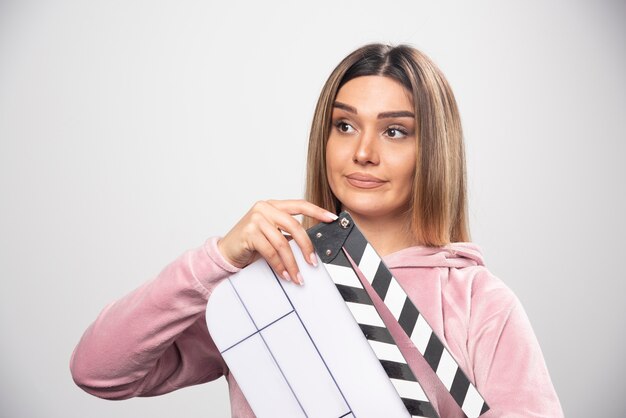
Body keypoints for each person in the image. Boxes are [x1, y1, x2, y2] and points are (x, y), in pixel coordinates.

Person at [70, 43, 563, 417]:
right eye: (344, 126)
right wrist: (217, 259)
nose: (363, 151)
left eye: (395, 131)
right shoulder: (265, 287)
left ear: (433, 150)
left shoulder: (478, 302)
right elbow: (98, 371)